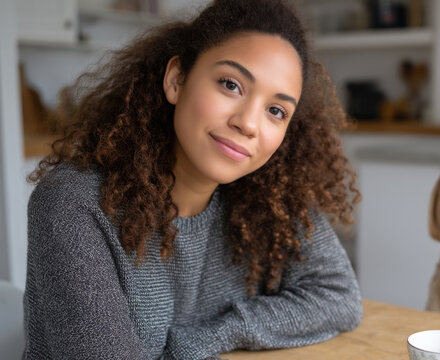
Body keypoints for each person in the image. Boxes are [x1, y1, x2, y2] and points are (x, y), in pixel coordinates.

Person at [22, 0, 362, 358]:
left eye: (276, 111)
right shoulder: (74, 203)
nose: (248, 123)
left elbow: (339, 296)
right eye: (230, 85)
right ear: (176, 80)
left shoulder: (270, 199)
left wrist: (212, 336)